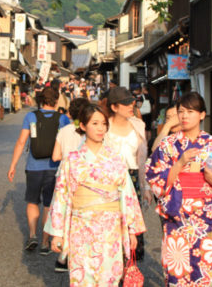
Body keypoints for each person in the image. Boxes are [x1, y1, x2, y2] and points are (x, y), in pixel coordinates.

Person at [46, 103, 146, 286]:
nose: (101, 128)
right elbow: (61, 196)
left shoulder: (115, 158)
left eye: (103, 124)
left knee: (110, 276)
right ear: (83, 126)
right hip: (81, 226)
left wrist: (131, 230)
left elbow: (128, 195)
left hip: (110, 228)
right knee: (82, 277)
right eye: (95, 123)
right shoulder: (72, 159)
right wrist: (58, 233)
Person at [145, 92, 212, 286]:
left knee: (205, 269)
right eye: (181, 112)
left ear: (202, 115)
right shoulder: (168, 145)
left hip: (206, 216)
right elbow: (155, 177)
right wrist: (180, 163)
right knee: (176, 271)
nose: (184, 116)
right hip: (176, 215)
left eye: (190, 111)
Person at [8, 87, 70, 254]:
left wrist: (13, 165)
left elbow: (21, 142)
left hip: (33, 167)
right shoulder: (63, 119)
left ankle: (32, 235)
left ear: (41, 100)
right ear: (56, 101)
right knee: (49, 205)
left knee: (32, 201)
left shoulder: (31, 116)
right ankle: (44, 242)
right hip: (54, 167)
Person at [104, 86, 152, 261]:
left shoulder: (138, 125)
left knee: (132, 223)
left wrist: (146, 187)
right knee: (112, 223)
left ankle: (129, 267)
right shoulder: (104, 127)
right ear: (114, 107)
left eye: (131, 102)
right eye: (125, 103)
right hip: (109, 180)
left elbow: (143, 159)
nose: (131, 105)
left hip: (133, 177)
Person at [50, 96, 90, 272]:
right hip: (84, 177)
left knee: (65, 214)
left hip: (64, 176)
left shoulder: (64, 130)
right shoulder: (90, 131)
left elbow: (55, 156)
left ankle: (63, 257)